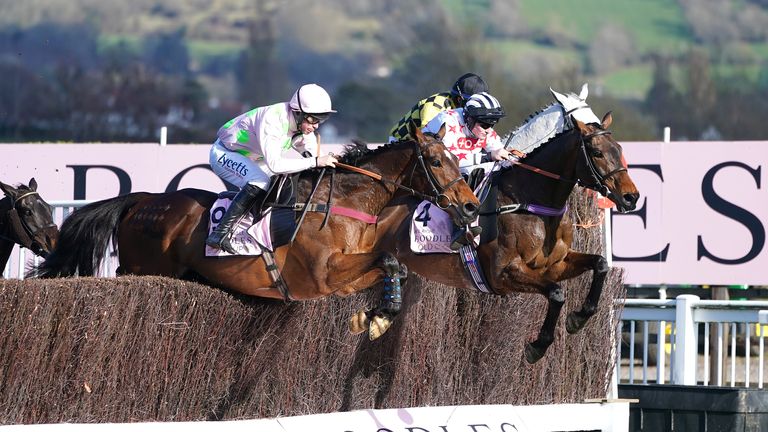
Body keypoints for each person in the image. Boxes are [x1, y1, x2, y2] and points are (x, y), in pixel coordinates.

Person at [206, 83, 339, 254]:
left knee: (279, 182)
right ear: (298, 113)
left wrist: (320, 161)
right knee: (260, 181)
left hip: (253, 158)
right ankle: (220, 233)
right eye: (313, 119)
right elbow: (276, 165)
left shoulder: (302, 125)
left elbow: (310, 154)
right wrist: (315, 161)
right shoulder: (273, 119)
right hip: (224, 153)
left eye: (320, 120)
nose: (315, 126)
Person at [422, 92, 526, 249]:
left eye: (492, 124)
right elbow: (448, 163)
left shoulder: (483, 128)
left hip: (450, 168)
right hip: (428, 169)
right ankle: (459, 228)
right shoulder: (447, 122)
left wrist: (509, 156)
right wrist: (488, 156)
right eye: (484, 125)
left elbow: (496, 147)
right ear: (469, 118)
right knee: (469, 173)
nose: (488, 129)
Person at [388, 72, 489, 143]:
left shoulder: (458, 106)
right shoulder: (434, 106)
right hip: (402, 142)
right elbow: (429, 137)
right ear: (459, 99)